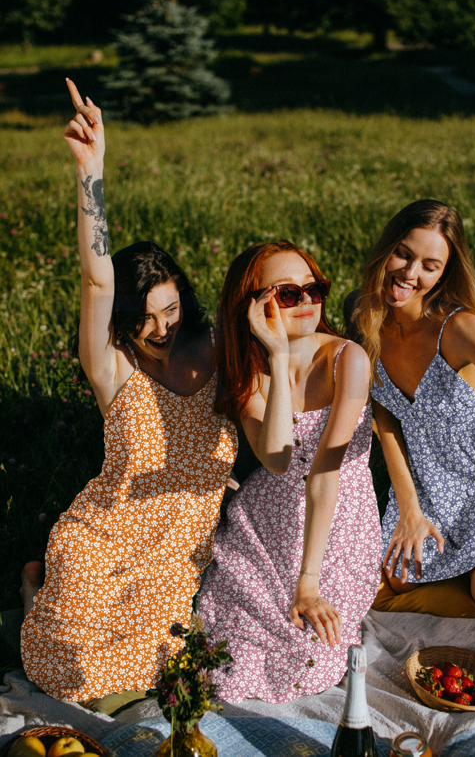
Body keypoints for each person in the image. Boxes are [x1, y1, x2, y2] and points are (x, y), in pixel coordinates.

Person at [19, 80, 238, 702]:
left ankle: (36, 593)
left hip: (171, 560)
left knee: (161, 675)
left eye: (170, 309)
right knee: (67, 681)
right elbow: (95, 280)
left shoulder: (219, 350)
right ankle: (37, 591)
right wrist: (93, 170)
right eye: (144, 318)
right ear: (122, 321)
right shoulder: (112, 367)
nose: (162, 329)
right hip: (101, 544)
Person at [198, 240, 382, 703]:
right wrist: (278, 360)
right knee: (225, 655)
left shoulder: (348, 360)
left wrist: (309, 583)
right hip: (268, 516)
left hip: (336, 523)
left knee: (309, 656)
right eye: (287, 294)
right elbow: (277, 459)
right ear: (254, 307)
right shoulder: (249, 369)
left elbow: (325, 475)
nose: (306, 303)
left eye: (313, 290)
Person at [348, 198, 475, 610]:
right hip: (436, 485)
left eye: (429, 266)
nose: (410, 273)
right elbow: (384, 422)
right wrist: (409, 508)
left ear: (443, 274)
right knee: (400, 579)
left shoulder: (459, 328)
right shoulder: (364, 316)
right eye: (403, 254)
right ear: (387, 248)